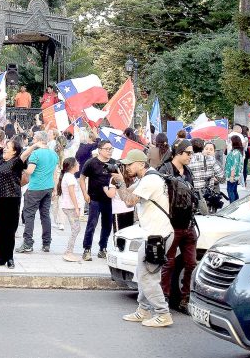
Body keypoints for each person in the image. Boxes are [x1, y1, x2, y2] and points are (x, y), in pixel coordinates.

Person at [115, 149, 174, 328]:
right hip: (152, 235)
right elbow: (126, 199)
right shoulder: (145, 179)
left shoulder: (151, 180)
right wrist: (120, 183)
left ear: (141, 164)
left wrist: (120, 184)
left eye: (130, 164)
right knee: (142, 273)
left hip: (158, 236)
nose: (127, 167)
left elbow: (130, 201)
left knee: (148, 277)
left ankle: (163, 314)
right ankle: (143, 310)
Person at [157, 139, 196, 313]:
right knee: (168, 264)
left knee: (191, 264)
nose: (191, 156)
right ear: (178, 152)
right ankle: (162, 299)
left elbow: (193, 195)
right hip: (171, 225)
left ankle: (185, 299)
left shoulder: (188, 172)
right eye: (188, 153)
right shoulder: (164, 170)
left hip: (188, 225)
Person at [0, 121, 25, 268]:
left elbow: (24, 154)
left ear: (14, 151)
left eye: (8, 147)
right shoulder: (1, 157)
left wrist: (34, 145)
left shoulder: (16, 162)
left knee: (9, 229)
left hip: (11, 199)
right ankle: (0, 257)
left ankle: (10, 258)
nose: (5, 148)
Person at [16, 131, 58, 253]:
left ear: (38, 140)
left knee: (29, 215)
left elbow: (30, 171)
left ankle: (28, 243)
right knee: (45, 215)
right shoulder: (53, 154)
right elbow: (54, 173)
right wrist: (55, 188)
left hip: (35, 187)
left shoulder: (35, 154)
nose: (32, 139)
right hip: (48, 187)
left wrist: (22, 169)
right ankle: (46, 243)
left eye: (34, 138)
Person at [79, 140, 120, 261]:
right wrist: (85, 194)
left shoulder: (114, 163)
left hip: (109, 200)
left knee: (107, 225)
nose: (109, 151)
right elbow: (82, 179)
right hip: (94, 198)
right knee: (92, 224)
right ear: (100, 150)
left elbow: (119, 180)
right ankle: (87, 249)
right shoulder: (91, 163)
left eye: (111, 149)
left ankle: (103, 248)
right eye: (107, 149)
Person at [58, 157, 81, 261]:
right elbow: (72, 193)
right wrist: (76, 207)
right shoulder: (70, 177)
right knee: (76, 229)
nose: (79, 164)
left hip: (68, 206)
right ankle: (68, 252)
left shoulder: (68, 176)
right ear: (72, 166)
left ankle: (69, 251)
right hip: (70, 207)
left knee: (76, 229)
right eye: (77, 163)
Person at [225, 135, 244, 202]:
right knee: (234, 190)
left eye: (230, 140)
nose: (228, 142)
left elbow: (234, 165)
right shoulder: (238, 152)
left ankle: (232, 205)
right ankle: (236, 204)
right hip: (235, 175)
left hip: (232, 175)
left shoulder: (235, 153)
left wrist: (232, 176)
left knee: (230, 190)